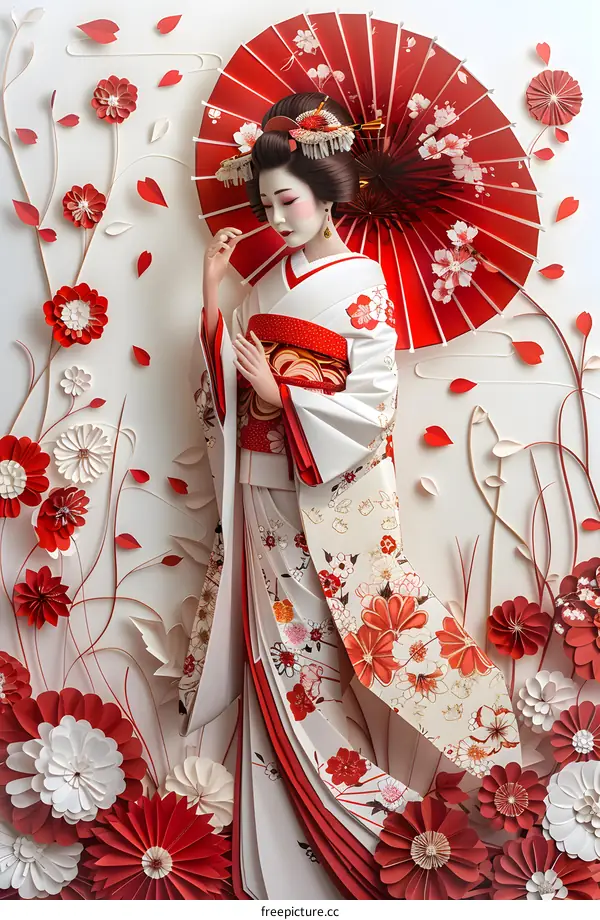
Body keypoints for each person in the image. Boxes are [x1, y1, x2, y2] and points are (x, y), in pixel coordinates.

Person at [180, 93, 520, 899]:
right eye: (266, 204)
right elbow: (225, 381)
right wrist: (213, 295)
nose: (276, 217)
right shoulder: (266, 276)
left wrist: (284, 397)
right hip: (263, 490)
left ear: (329, 191)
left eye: (288, 201)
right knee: (274, 654)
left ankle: (367, 824)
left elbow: (371, 403)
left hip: (318, 493)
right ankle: (277, 844)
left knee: (320, 654)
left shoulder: (361, 280)